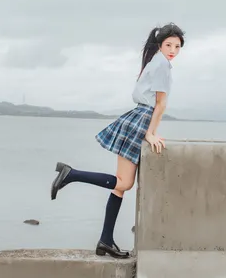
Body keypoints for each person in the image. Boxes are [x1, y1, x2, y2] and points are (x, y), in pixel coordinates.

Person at [50, 23, 185, 258]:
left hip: (136, 116)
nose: (173, 49)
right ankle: (71, 174)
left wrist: (150, 130)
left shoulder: (155, 60)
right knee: (124, 183)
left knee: (121, 186)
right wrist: (150, 133)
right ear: (160, 45)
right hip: (141, 119)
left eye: (177, 46)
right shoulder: (163, 65)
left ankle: (105, 240)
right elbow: (160, 105)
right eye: (169, 45)